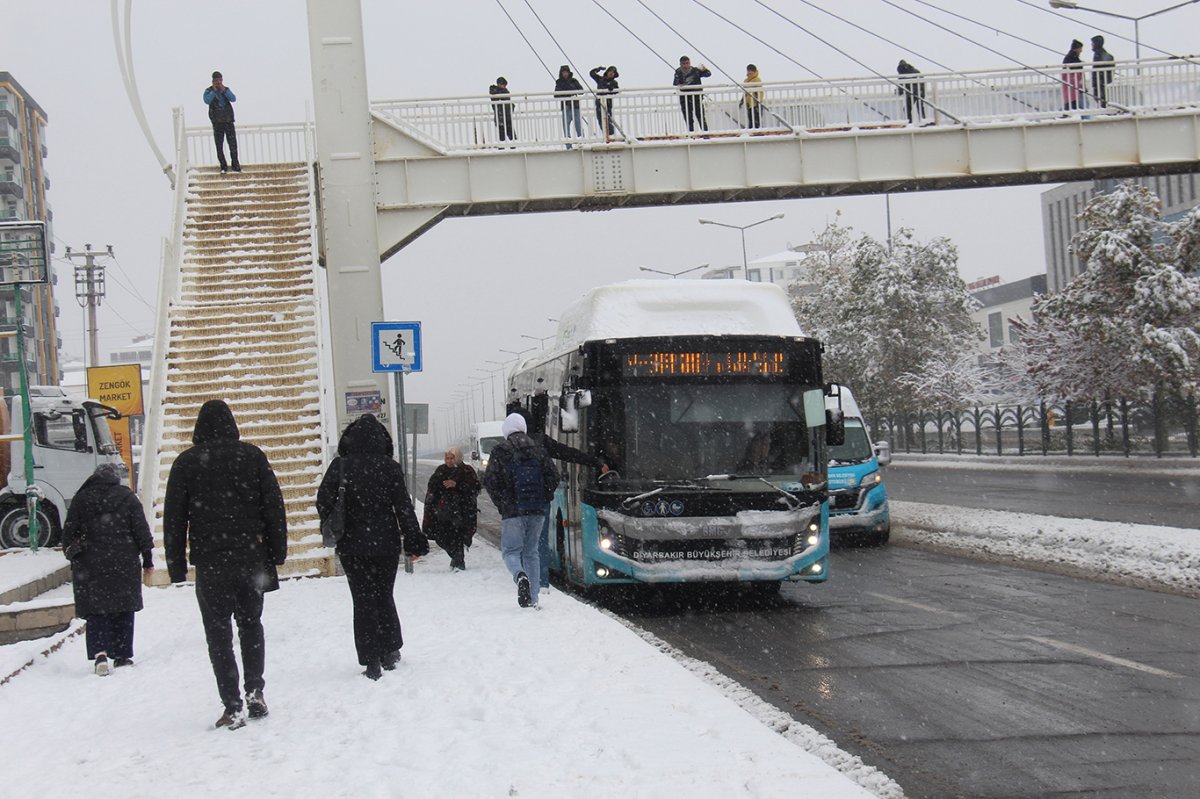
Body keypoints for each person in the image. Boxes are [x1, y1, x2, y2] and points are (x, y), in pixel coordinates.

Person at [163, 399, 288, 731]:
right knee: (251, 625)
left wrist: (175, 564)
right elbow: (274, 505)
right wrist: (277, 551)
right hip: (251, 558)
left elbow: (174, 519)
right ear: (232, 425)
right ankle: (255, 689)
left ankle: (232, 704)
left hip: (211, 562)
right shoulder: (252, 457)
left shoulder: (186, 463)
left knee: (218, 634)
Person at [317, 414, 428, 680]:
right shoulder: (389, 467)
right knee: (383, 594)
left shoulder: (340, 467)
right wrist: (414, 540)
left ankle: (371, 659)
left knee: (362, 598)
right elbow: (403, 506)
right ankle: (390, 650)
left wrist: (339, 521)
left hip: (352, 546)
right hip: (385, 544)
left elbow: (323, 501)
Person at [61, 463, 154, 676]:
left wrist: (74, 552)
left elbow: (68, 534)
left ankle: (100, 654)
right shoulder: (127, 497)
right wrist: (147, 559)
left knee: (97, 610)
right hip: (124, 560)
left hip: (90, 562)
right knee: (123, 607)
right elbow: (141, 530)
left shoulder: (81, 498)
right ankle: (122, 655)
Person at [506, 405, 608, 594]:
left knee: (517, 544)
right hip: (538, 503)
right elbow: (566, 456)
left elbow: (494, 479)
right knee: (538, 543)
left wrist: (505, 502)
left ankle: (522, 576)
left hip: (515, 506)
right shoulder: (540, 442)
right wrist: (595, 462)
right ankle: (541, 583)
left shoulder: (504, 448)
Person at [483, 412, 559, 608]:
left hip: (513, 511)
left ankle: (519, 576)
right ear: (523, 427)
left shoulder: (501, 451)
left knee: (510, 552)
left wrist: (503, 504)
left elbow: (490, 481)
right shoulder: (539, 449)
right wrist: (543, 499)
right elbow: (553, 476)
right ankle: (533, 598)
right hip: (537, 510)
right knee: (531, 552)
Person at [422, 446, 480, 571]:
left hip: (462, 512)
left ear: (458, 458)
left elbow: (475, 488)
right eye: (447, 458)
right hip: (443, 512)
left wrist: (457, 485)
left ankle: (458, 562)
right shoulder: (441, 470)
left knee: (458, 537)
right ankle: (456, 558)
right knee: (441, 536)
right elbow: (432, 488)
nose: (449, 461)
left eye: (452, 458)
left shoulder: (467, 471)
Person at [203, 71, 240, 173]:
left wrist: (224, 90)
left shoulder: (225, 89)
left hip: (228, 121)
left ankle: (235, 164)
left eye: (220, 80)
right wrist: (213, 92)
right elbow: (206, 100)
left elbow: (233, 98)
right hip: (217, 122)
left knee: (233, 144)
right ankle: (223, 166)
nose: (219, 82)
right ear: (213, 81)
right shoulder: (208, 91)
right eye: (216, 80)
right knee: (219, 145)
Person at [673, 56, 711, 132]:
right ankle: (691, 134)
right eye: (683, 64)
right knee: (688, 116)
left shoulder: (695, 71)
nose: (685, 66)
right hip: (685, 97)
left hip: (697, 96)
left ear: (690, 63)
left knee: (700, 115)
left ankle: (705, 133)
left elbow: (708, 74)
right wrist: (681, 84)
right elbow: (675, 83)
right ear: (680, 64)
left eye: (687, 63)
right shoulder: (678, 72)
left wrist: (704, 69)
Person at [588, 65, 620, 137]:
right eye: (610, 72)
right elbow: (591, 73)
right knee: (600, 120)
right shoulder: (600, 79)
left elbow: (617, 91)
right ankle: (606, 134)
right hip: (599, 103)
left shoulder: (614, 82)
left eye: (613, 72)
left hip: (608, 104)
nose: (611, 73)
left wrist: (612, 89)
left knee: (608, 120)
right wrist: (598, 69)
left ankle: (611, 135)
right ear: (607, 72)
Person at [555, 66, 583, 144]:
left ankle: (582, 142)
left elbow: (581, 91)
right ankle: (568, 144)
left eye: (566, 72)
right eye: (563, 72)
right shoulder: (559, 82)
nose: (565, 74)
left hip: (575, 106)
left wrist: (572, 91)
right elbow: (556, 95)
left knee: (578, 125)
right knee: (566, 127)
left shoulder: (574, 81)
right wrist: (565, 92)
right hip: (565, 106)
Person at [1091, 35, 1115, 108]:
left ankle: (1104, 110)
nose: (1092, 45)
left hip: (1100, 81)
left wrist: (1095, 81)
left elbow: (1097, 69)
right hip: (1102, 81)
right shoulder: (1103, 54)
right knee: (1102, 98)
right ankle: (1104, 109)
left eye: (1093, 43)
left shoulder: (1098, 54)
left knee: (1101, 98)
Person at [489, 77, 515, 142]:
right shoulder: (494, 90)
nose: (504, 86)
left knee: (512, 136)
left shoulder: (505, 91)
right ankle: (503, 148)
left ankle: (513, 147)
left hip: (507, 116)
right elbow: (495, 98)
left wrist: (512, 107)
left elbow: (508, 102)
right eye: (503, 85)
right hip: (500, 116)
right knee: (502, 136)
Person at [1062, 40, 1085, 111]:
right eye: (1080, 48)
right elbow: (1074, 72)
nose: (1081, 50)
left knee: (1070, 104)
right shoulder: (1072, 58)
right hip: (1073, 87)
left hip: (1072, 87)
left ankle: (1066, 114)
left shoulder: (1070, 57)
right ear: (1076, 48)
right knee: (1074, 105)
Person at [742, 64, 765, 129]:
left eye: (751, 70)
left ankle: (758, 132)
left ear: (754, 71)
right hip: (749, 104)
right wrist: (742, 100)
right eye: (748, 70)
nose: (749, 72)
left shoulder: (757, 79)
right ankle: (751, 131)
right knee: (751, 119)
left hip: (755, 104)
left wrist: (759, 101)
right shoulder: (746, 81)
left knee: (756, 120)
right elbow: (745, 92)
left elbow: (760, 91)